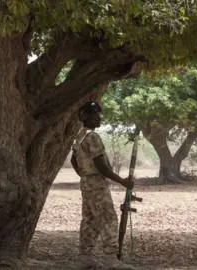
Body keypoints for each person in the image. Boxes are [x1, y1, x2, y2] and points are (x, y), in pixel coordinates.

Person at [71, 101, 137, 270]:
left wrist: (85, 174)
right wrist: (121, 180)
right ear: (86, 117)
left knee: (90, 219)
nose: (98, 118)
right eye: (95, 115)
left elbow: (73, 160)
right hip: (96, 183)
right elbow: (100, 163)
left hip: (86, 183)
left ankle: (85, 257)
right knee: (108, 218)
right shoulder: (92, 136)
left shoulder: (80, 136)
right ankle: (110, 259)